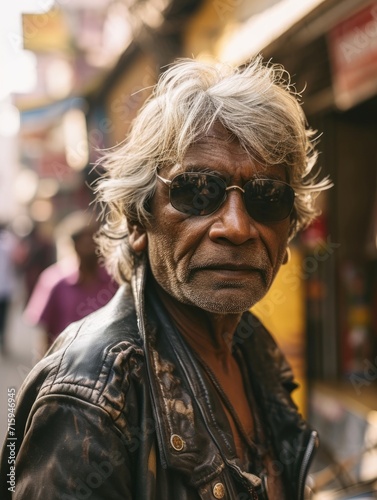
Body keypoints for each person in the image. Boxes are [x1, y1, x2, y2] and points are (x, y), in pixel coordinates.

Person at [0, 58, 332, 499]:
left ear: (288, 231)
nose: (235, 226)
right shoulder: (91, 400)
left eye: (266, 197)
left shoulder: (253, 350)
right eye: (197, 192)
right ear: (139, 224)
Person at [23, 211, 118, 350]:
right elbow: (45, 333)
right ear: (71, 243)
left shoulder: (115, 280)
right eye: (81, 239)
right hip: (65, 361)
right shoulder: (54, 281)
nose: (88, 245)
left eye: (93, 238)